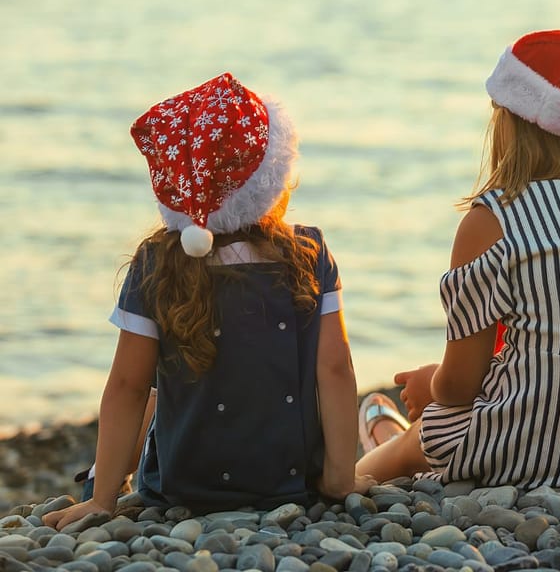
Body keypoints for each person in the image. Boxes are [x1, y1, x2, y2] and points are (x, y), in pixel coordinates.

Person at [356, 28, 560, 490]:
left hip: (522, 449)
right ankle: (382, 427)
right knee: (451, 419)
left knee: (420, 439)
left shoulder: (493, 220)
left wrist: (430, 383)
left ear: (512, 121)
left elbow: (460, 386)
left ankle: (368, 453)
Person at [44, 72, 370, 530]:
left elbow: (125, 387)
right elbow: (334, 371)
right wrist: (339, 478)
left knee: (154, 390)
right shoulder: (309, 254)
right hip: (287, 481)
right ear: (270, 174)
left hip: (181, 485)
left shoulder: (157, 262)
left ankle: (104, 479)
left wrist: (102, 504)